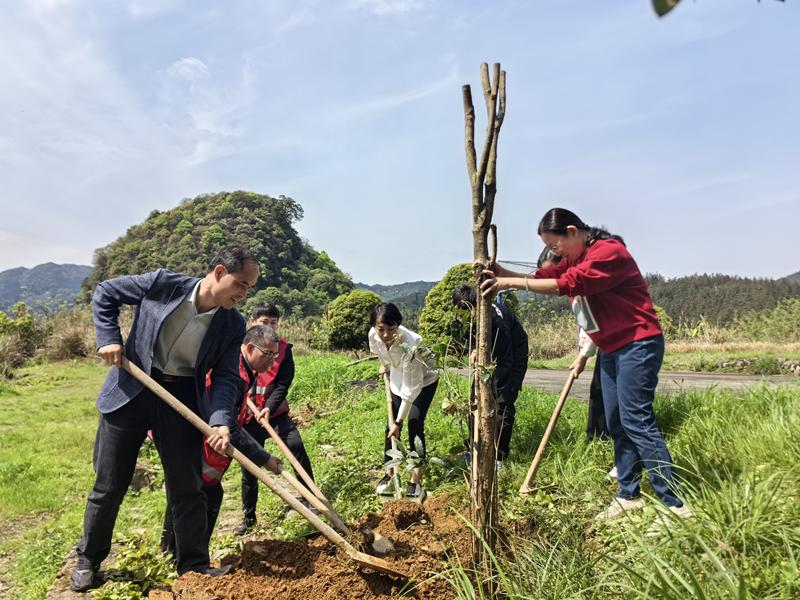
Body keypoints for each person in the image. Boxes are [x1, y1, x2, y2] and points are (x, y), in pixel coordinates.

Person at [481, 208, 690, 527]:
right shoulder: (576, 257)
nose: (555, 252)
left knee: (637, 420)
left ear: (572, 231)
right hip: (611, 348)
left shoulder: (608, 253)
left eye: (555, 245)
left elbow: (567, 283)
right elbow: (546, 277)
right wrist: (501, 271)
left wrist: (506, 282)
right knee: (617, 422)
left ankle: (675, 505)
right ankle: (628, 495)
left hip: (637, 343)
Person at [71, 246, 260, 593]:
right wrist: (109, 339)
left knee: (188, 486)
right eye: (241, 284)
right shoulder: (163, 284)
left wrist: (220, 419)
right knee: (110, 484)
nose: (243, 293)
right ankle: (88, 560)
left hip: (181, 397)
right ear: (219, 272)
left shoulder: (233, 324)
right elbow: (106, 292)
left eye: (249, 288)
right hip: (133, 385)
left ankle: (194, 565)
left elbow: (225, 377)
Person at [160, 324, 283, 553]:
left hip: (208, 442)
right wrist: (264, 458)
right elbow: (229, 425)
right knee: (198, 495)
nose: (272, 361)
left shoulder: (245, 370)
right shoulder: (234, 373)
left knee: (193, 493)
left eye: (275, 355)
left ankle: (173, 552)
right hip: (198, 441)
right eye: (268, 354)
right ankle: (183, 555)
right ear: (249, 348)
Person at [234, 302, 315, 534]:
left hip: (275, 412)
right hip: (248, 417)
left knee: (295, 446)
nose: (269, 327)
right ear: (253, 322)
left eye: (273, 323)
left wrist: (269, 407)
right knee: (250, 466)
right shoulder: (241, 347)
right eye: (264, 322)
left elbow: (283, 383)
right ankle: (249, 517)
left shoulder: (283, 349)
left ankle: (311, 497)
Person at [536, 247, 611, 447]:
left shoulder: (585, 281)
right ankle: (597, 439)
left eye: (554, 273)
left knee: (611, 393)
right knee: (598, 389)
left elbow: (600, 321)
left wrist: (584, 356)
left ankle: (612, 442)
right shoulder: (573, 291)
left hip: (624, 342)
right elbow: (587, 325)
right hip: (607, 342)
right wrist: (583, 351)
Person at [452, 284, 528, 465]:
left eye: (466, 312)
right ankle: (473, 448)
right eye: (460, 313)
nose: (463, 317)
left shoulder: (496, 321)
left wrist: (499, 388)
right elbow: (472, 337)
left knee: (502, 404)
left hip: (512, 357)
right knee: (475, 400)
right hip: (487, 359)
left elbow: (504, 361)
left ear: (476, 306)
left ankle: (499, 456)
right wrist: (474, 349)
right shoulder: (468, 318)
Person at [368, 303, 439, 501]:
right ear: (374, 326)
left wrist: (399, 422)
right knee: (389, 427)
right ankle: (390, 473)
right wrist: (386, 366)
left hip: (424, 381)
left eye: (391, 329)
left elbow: (411, 389)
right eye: (381, 329)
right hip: (398, 378)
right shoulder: (373, 335)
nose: (386, 335)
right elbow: (380, 352)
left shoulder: (411, 344)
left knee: (414, 423)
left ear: (398, 325)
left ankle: (415, 481)